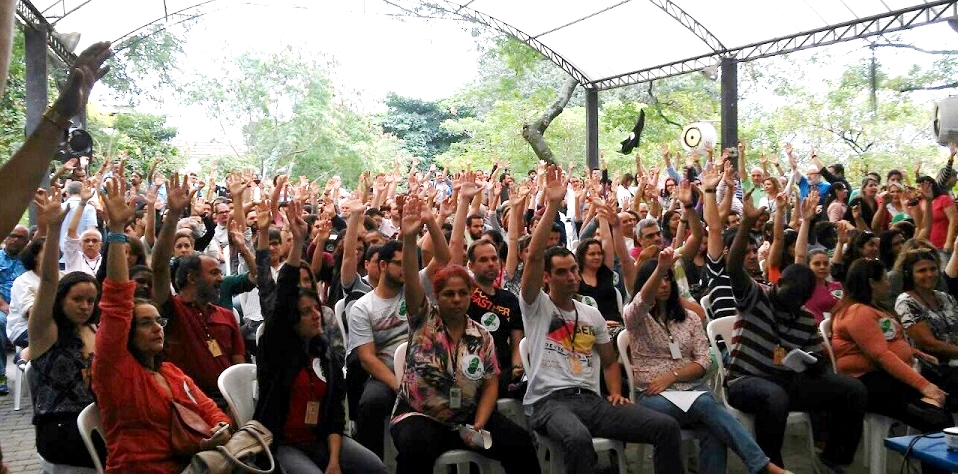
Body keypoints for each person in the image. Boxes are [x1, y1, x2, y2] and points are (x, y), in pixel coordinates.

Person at [520, 165, 682, 474]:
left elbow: (609, 361)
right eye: (562, 272)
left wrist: (615, 392)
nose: (571, 276)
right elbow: (534, 256)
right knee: (578, 438)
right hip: (549, 403)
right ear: (546, 278)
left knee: (666, 427)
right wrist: (553, 204)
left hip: (592, 401)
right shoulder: (536, 306)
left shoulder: (592, 314)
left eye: (573, 270)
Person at [391, 194, 540, 474]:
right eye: (449, 294)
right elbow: (412, 280)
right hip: (420, 416)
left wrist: (480, 425)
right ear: (437, 296)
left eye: (462, 293)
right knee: (415, 447)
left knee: (520, 443)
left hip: (469, 416)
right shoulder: (424, 319)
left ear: (470, 296)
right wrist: (409, 239)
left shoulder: (481, 336)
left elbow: (491, 383)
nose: (457, 299)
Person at [93, 176, 232, 473]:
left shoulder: (171, 373)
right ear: (126, 333)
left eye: (159, 321)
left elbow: (207, 408)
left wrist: (220, 426)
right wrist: (117, 232)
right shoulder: (115, 369)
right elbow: (117, 300)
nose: (157, 328)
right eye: (145, 323)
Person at [725, 190, 866, 472]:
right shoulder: (758, 297)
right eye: (786, 296)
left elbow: (815, 354)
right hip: (746, 380)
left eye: (797, 301)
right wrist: (744, 225)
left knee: (852, 389)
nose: (790, 304)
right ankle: (771, 467)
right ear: (778, 285)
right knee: (774, 396)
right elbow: (732, 267)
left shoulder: (803, 317)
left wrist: (815, 364)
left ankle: (835, 456)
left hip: (788, 379)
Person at [623, 248, 788, 474]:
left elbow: (704, 361)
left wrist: (672, 376)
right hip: (653, 396)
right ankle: (762, 465)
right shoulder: (636, 318)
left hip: (690, 389)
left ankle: (759, 464)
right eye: (659, 280)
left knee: (712, 429)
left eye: (668, 279)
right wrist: (661, 267)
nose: (664, 284)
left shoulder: (688, 318)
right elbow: (643, 301)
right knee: (706, 404)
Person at [255, 199, 385, 474]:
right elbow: (283, 296)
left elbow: (335, 416)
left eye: (317, 308)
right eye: (306, 312)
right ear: (291, 318)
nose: (317, 315)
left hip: (322, 441)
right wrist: (299, 241)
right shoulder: (276, 347)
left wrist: (335, 461)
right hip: (284, 443)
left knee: (375, 467)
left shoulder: (325, 353)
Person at [832, 258, 952, 474]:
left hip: (890, 376)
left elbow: (887, 342)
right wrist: (924, 386)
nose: (889, 284)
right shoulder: (858, 312)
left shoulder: (871, 308)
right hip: (872, 383)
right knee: (936, 418)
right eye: (885, 279)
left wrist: (915, 352)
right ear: (871, 282)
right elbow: (881, 355)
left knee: (950, 395)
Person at [153, 173, 246, 407]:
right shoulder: (172, 309)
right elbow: (158, 266)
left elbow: (238, 369)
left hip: (227, 404)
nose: (221, 278)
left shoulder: (226, 316)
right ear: (192, 278)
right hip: (186, 405)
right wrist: (173, 216)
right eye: (214, 273)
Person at [26, 189, 102, 467]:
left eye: (90, 301)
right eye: (77, 299)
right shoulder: (46, 331)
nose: (85, 306)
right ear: (61, 299)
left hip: (99, 420)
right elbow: (47, 281)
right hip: (61, 429)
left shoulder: (94, 331)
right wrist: (54, 227)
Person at [895, 248, 958, 404]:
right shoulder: (906, 301)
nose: (930, 274)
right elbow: (929, 344)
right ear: (910, 274)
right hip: (931, 368)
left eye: (933, 269)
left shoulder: (945, 297)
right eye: (922, 271)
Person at [466, 239, 525, 398]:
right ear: (470, 266)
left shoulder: (509, 299)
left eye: (494, 258)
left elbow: (516, 342)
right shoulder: (464, 297)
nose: (491, 263)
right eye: (483, 260)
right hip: (472, 370)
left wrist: (517, 368)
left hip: (505, 371)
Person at [0, 224, 28, 394]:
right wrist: (3, 305)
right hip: (3, 307)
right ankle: (0, 374)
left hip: (25, 308)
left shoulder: (28, 259)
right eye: (12, 235)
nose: (15, 240)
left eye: (20, 237)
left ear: (26, 241)